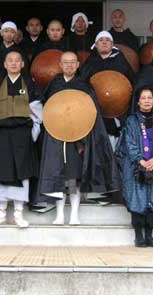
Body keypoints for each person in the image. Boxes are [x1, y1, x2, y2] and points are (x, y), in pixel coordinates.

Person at [37, 52, 120, 225]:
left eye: (72, 62)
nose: (69, 65)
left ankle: (74, 214)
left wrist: (84, 139)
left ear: (77, 65)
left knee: (74, 177)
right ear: (60, 64)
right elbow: (46, 109)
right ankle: (59, 214)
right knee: (57, 176)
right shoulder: (54, 84)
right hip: (56, 137)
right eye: (65, 63)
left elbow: (92, 113)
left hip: (78, 137)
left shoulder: (84, 85)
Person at [0, 51, 42, 228]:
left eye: (18, 60)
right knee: (1, 171)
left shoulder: (30, 84)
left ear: (23, 64)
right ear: (4, 64)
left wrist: (33, 131)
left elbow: (37, 110)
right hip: (2, 133)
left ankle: (18, 213)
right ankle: (1, 212)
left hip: (22, 134)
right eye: (10, 60)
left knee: (21, 172)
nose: (14, 63)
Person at [116, 87, 153, 247]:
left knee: (152, 200)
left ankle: (150, 236)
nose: (146, 101)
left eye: (149, 98)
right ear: (138, 102)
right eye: (143, 98)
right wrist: (140, 160)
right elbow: (129, 142)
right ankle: (139, 235)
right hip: (136, 167)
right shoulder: (132, 121)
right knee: (137, 200)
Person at [80, 31, 135, 144]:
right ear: (95, 44)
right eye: (101, 40)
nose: (104, 42)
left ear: (112, 44)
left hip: (118, 108)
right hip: (96, 109)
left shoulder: (120, 60)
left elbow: (130, 82)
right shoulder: (90, 62)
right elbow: (83, 84)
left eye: (107, 40)